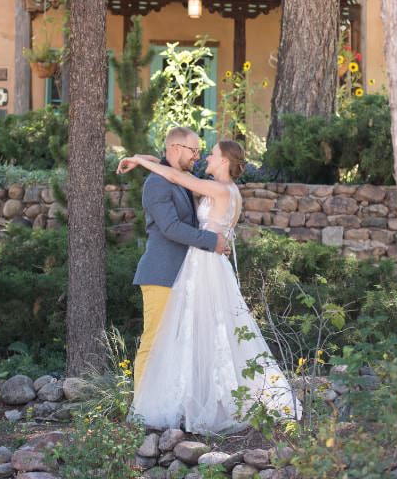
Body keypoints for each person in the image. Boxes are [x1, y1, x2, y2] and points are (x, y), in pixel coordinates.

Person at [118, 139, 300, 435]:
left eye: (213, 154)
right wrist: (141, 155)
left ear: (226, 161)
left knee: (205, 332)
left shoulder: (219, 189)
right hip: (206, 264)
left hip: (205, 266)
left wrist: (139, 162)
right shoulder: (225, 189)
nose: (206, 158)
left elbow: (176, 176)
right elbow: (173, 168)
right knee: (207, 332)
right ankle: (201, 397)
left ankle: (206, 401)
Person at [130, 127, 229, 395]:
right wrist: (212, 241)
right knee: (154, 342)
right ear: (175, 148)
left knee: (179, 346)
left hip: (185, 275)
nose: (198, 156)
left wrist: (142, 157)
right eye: (193, 150)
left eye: (200, 151)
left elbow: (168, 167)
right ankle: (141, 406)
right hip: (161, 274)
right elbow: (171, 227)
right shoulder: (156, 183)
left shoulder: (179, 178)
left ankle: (167, 402)